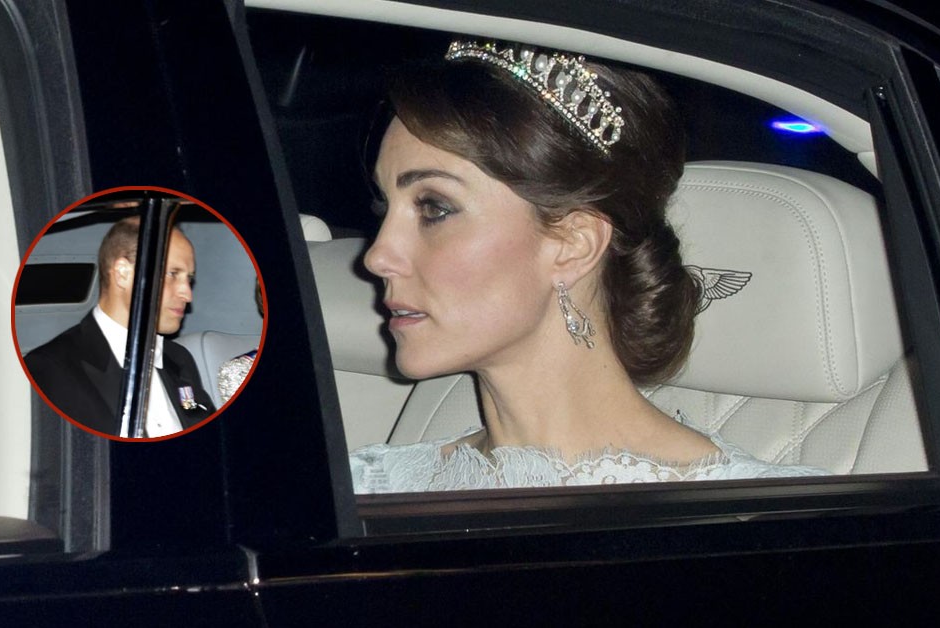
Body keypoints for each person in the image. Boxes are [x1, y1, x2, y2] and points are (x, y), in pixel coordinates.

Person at [350, 39, 824, 492]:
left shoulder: (765, 524)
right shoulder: (369, 486)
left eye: (434, 208)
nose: (377, 256)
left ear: (572, 244)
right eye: (383, 209)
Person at [24, 215, 216, 437]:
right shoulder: (51, 369)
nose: (187, 294)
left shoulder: (179, 359)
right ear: (123, 274)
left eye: (189, 279)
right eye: (173, 274)